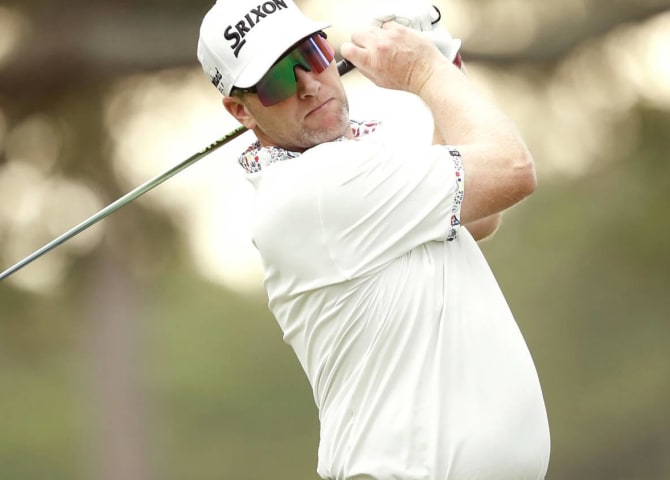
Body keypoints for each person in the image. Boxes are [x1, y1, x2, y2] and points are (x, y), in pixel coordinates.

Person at [196, 0, 550, 479]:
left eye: (312, 53)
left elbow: (477, 220)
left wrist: (442, 61)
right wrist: (425, 73)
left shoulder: (348, 166)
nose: (307, 84)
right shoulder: (314, 189)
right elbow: (512, 171)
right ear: (241, 110)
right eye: (277, 80)